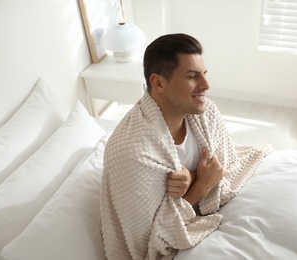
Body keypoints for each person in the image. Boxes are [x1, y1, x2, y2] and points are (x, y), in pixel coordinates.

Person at [100, 33, 272, 260]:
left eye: (204, 75)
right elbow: (152, 241)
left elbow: (226, 166)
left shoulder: (206, 112)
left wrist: (191, 177)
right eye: (192, 76)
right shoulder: (132, 154)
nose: (206, 85)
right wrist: (201, 186)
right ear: (158, 82)